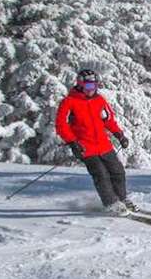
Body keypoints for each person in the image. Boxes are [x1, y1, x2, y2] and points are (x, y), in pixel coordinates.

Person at [56, 69, 137, 215]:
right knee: (101, 174)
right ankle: (111, 204)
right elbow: (61, 125)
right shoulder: (69, 102)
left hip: (104, 145)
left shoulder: (99, 101)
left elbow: (109, 120)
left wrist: (119, 135)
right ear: (80, 85)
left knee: (118, 172)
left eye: (94, 86)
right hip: (85, 147)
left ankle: (122, 199)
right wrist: (73, 142)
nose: (91, 90)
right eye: (88, 87)